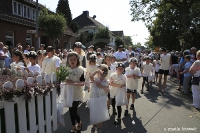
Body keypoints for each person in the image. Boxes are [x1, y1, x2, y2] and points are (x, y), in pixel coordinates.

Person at [65, 52, 85, 133]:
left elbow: (82, 83)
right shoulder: (66, 69)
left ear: (77, 60)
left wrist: (71, 82)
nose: (72, 61)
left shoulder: (81, 70)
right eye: (70, 59)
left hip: (77, 93)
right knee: (70, 110)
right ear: (68, 60)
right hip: (69, 92)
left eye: (74, 59)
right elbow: (64, 80)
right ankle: (73, 125)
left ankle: (79, 122)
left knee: (74, 111)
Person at [89, 64, 110, 133]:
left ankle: (100, 126)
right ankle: (94, 125)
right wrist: (96, 71)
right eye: (101, 74)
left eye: (104, 74)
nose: (102, 76)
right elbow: (91, 76)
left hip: (102, 98)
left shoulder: (106, 81)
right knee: (95, 112)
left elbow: (108, 90)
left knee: (100, 112)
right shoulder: (95, 79)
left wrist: (101, 86)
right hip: (94, 98)